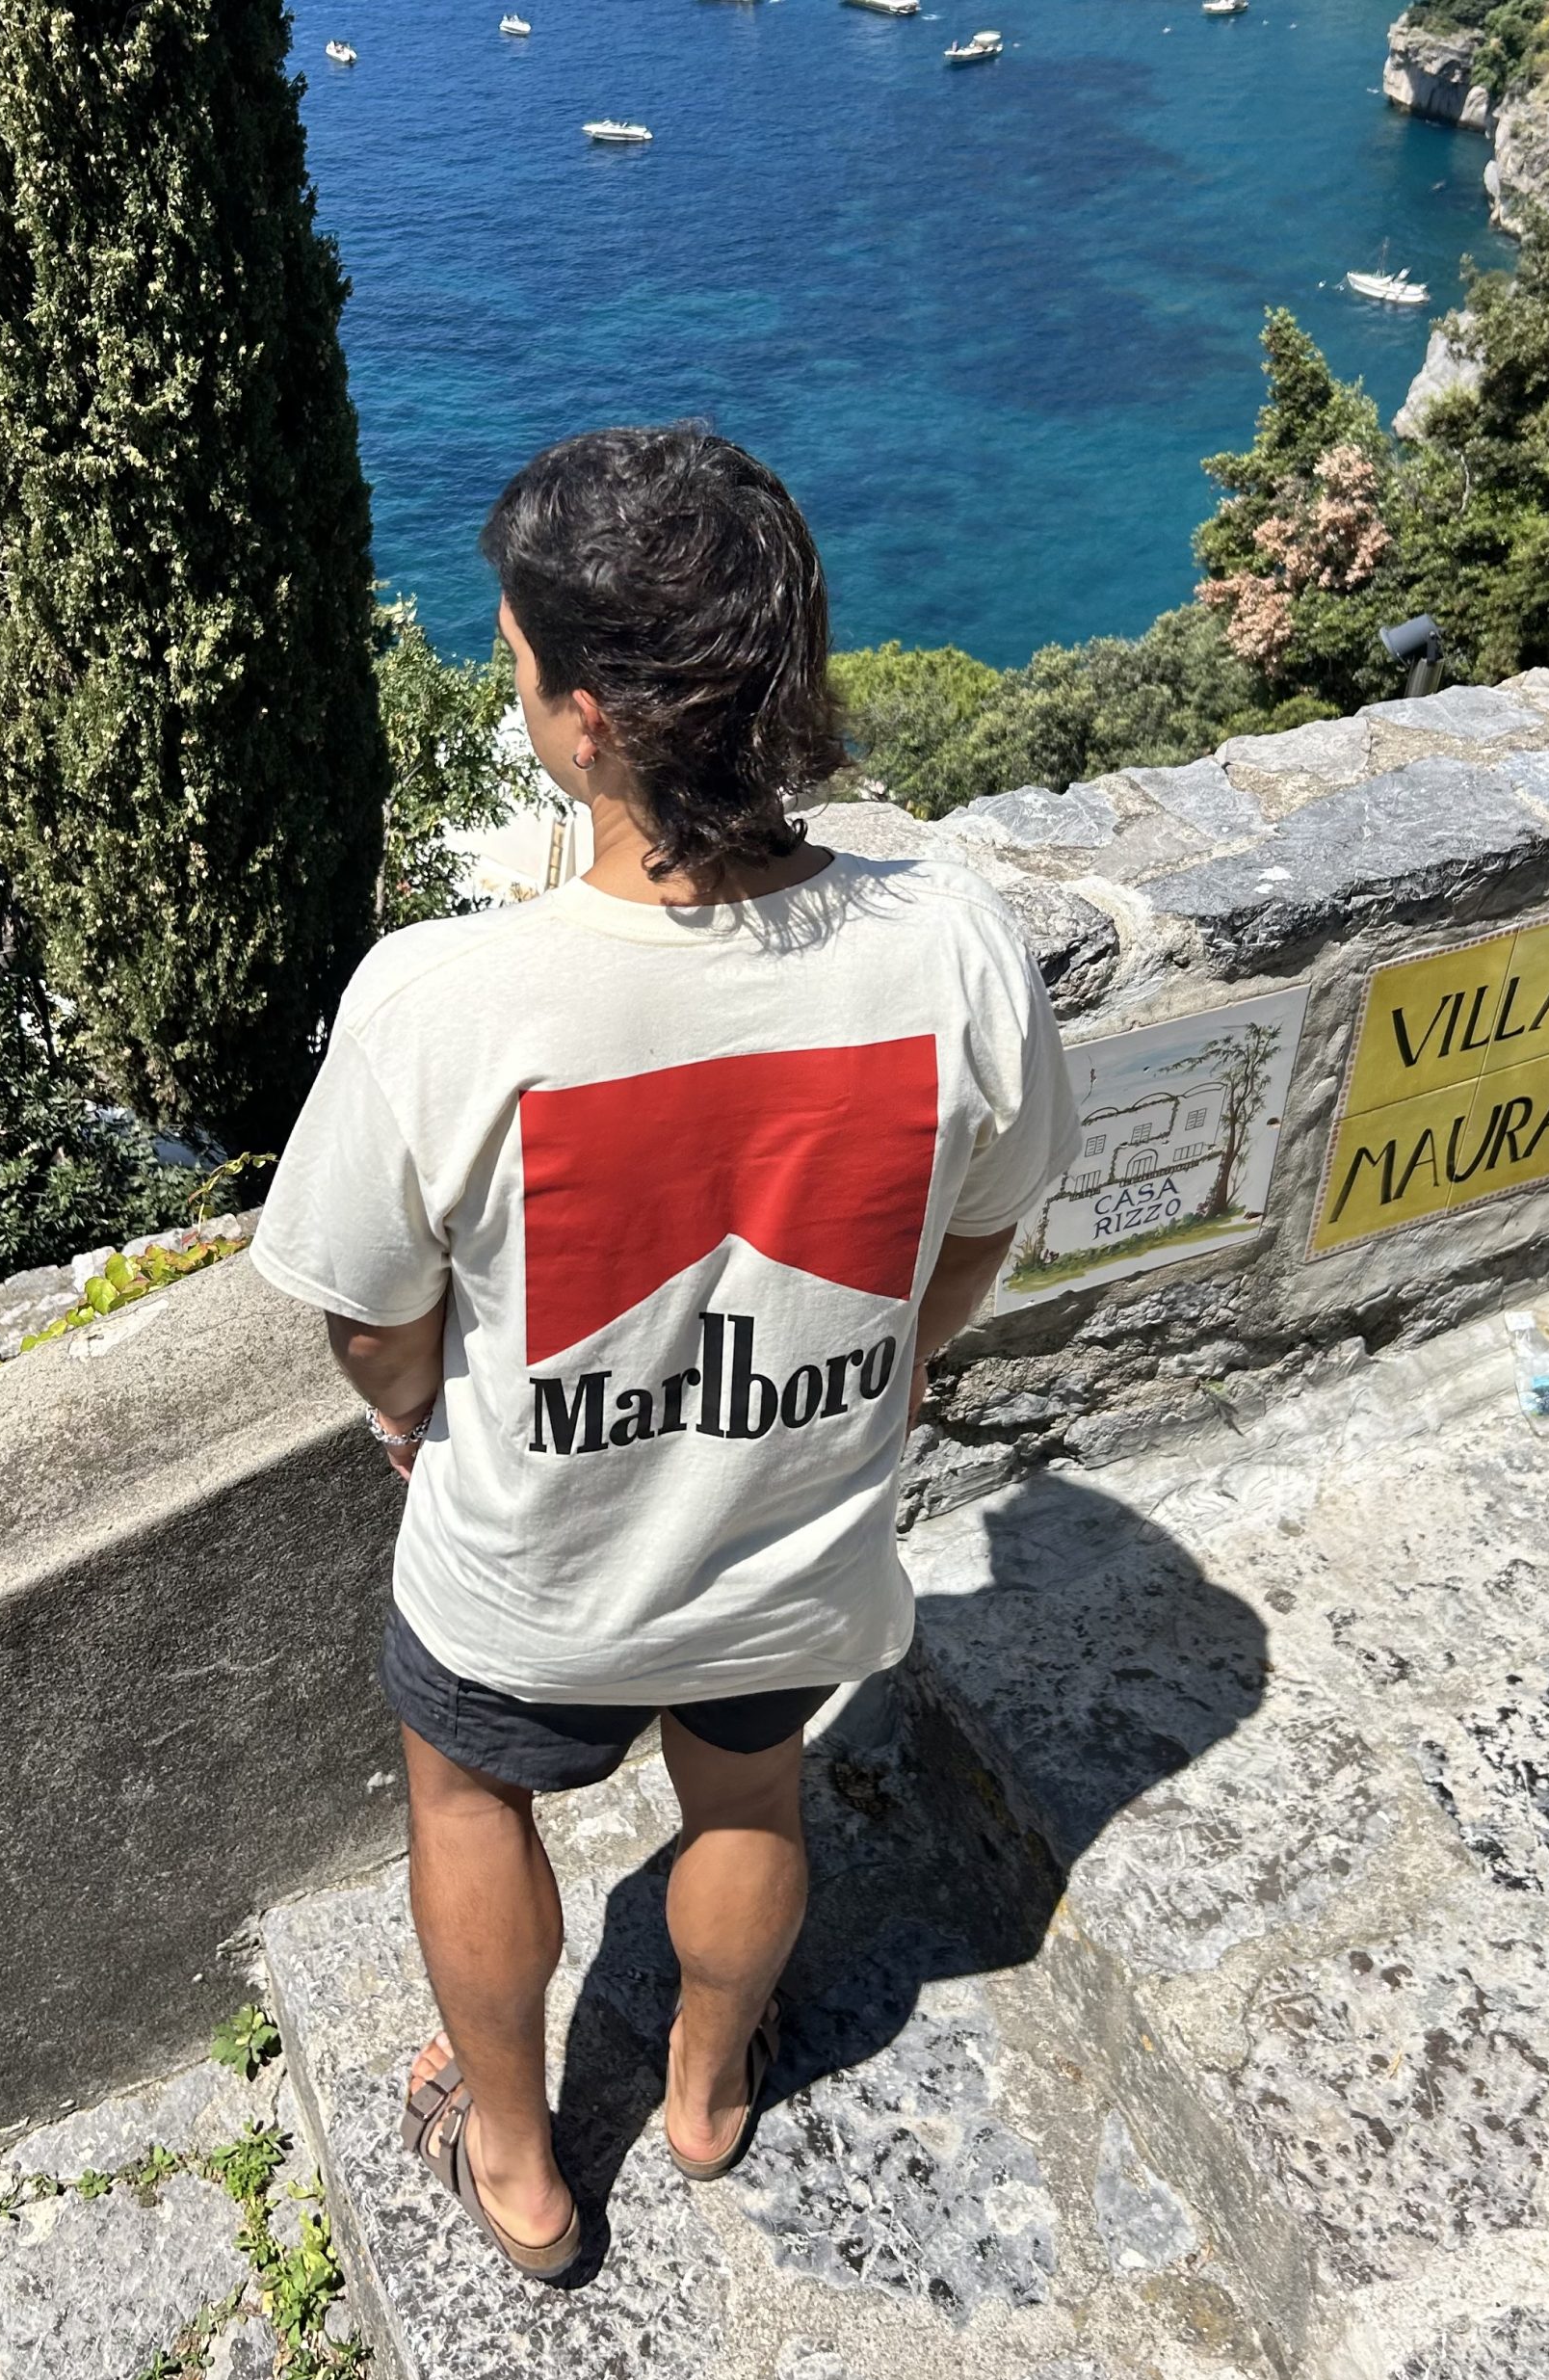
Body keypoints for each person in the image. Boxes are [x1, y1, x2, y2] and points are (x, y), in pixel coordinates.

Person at [250, 425, 1079, 2282]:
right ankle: (707, 2097)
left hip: (527, 1568)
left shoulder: (442, 999)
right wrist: (899, 1365)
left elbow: (369, 1314)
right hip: (788, 1544)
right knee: (751, 1796)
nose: (512, 682)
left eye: (515, 656)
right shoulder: (953, 940)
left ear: (589, 718)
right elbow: (979, 1227)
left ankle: (521, 2166)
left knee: (467, 1799)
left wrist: (411, 1417)